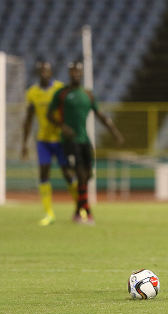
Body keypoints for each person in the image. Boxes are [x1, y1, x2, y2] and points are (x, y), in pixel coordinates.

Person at [47, 61, 124, 224]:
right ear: (69, 73)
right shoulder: (62, 94)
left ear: (82, 73)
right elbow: (49, 114)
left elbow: (101, 115)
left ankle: (77, 212)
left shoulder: (88, 95)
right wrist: (62, 126)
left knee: (87, 175)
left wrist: (115, 133)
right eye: (73, 71)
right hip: (69, 140)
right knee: (80, 173)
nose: (75, 74)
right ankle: (87, 212)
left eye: (78, 71)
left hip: (84, 139)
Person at [21, 61, 78, 226]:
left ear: (51, 72)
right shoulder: (32, 92)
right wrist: (24, 144)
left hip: (60, 140)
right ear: (38, 72)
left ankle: (80, 208)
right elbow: (28, 119)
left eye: (47, 70)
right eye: (42, 71)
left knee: (68, 174)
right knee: (43, 175)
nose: (45, 73)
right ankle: (49, 213)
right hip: (43, 141)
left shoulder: (60, 89)